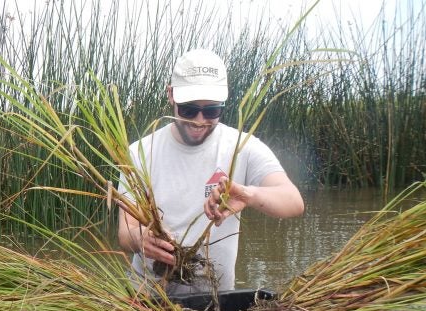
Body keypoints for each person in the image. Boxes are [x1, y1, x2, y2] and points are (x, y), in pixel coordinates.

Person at [117, 48, 304, 295]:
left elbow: (293, 201)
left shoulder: (241, 147)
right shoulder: (140, 152)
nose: (199, 120)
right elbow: (125, 231)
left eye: (212, 110)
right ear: (171, 95)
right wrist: (141, 239)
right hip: (148, 298)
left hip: (214, 301)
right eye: (189, 109)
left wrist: (248, 195)